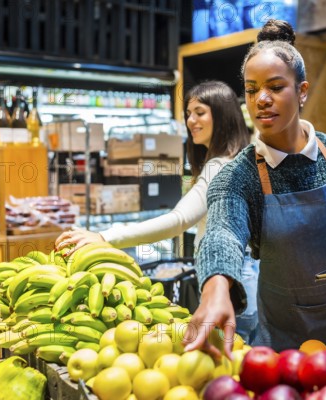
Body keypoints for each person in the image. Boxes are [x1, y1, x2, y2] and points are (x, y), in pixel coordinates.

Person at [182, 19, 326, 367]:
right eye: (252, 90)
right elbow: (222, 232)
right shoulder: (238, 177)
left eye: (275, 87)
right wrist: (215, 286)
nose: (262, 100)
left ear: (302, 91)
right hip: (290, 350)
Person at [55, 81, 259, 342]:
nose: (191, 120)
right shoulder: (241, 159)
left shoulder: (219, 166)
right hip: (242, 279)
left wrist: (107, 237)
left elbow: (179, 219)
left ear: (222, 114)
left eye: (200, 112)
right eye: (188, 113)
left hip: (229, 285)